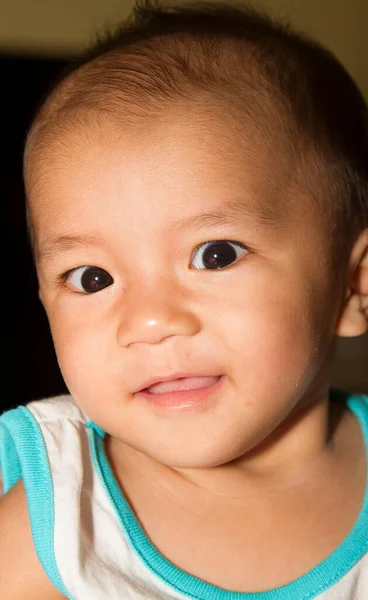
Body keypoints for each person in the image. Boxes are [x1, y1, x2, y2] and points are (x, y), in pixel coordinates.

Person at [1, 0, 368, 597]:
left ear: (353, 286)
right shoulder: (60, 524)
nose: (148, 320)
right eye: (93, 277)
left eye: (214, 254)